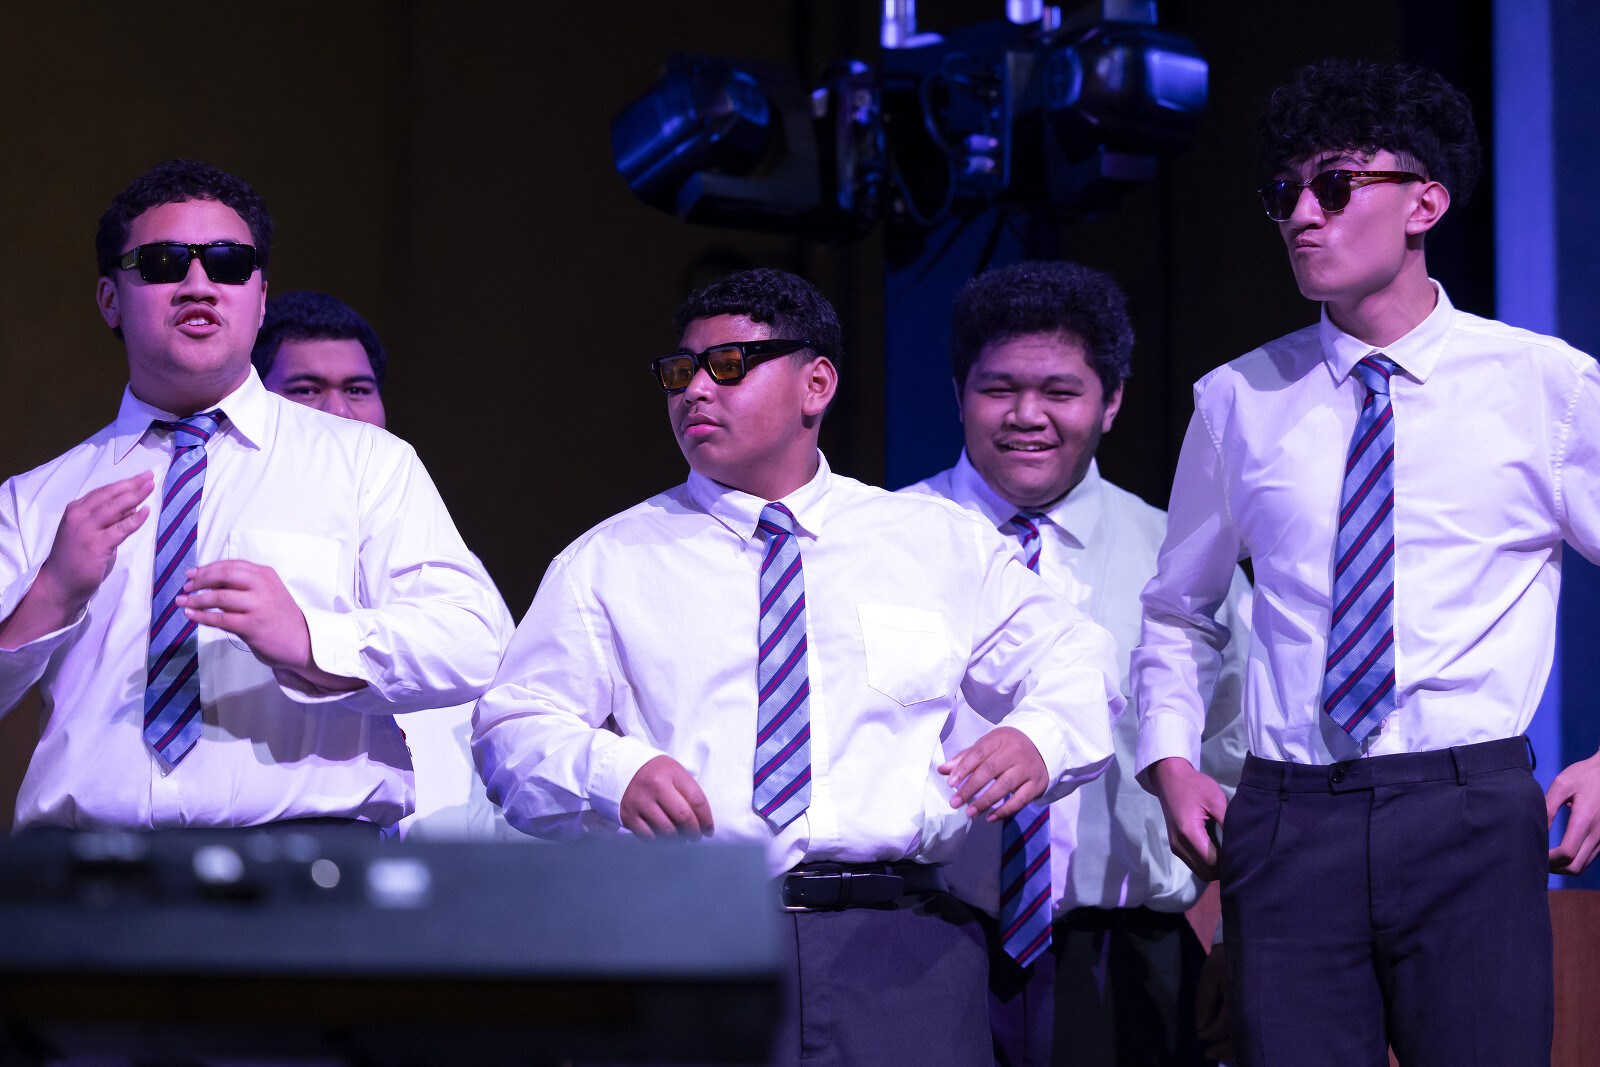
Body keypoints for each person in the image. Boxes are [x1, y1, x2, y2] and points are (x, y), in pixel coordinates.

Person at [473, 267, 1124, 1065]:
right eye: (680, 372)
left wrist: (1038, 737)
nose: (694, 391)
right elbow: (510, 726)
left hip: (905, 951)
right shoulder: (610, 560)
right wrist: (612, 771)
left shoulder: (931, 540)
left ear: (816, 383)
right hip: (698, 942)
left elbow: (1076, 654)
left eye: (728, 366)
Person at [1133, 59, 1600, 1067]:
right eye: (1285, 192)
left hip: (1468, 807)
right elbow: (1178, 608)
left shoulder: (1544, 386)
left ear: (1424, 202)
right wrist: (1170, 758)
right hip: (1287, 816)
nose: (1303, 215)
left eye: (1336, 186)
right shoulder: (1238, 399)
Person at [0, 159, 508, 833]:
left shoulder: (367, 463)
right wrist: (50, 595)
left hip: (310, 861)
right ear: (109, 299)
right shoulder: (37, 498)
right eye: (162, 263)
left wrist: (311, 640)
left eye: (229, 263)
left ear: (261, 298)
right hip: (90, 867)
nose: (198, 285)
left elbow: (475, 642)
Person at [905, 260, 1250, 1067]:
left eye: (1060, 391)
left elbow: (1246, 761)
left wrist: (1240, 937)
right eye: (999, 388)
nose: (1027, 415)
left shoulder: (1180, 559)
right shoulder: (882, 542)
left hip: (1130, 958)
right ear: (959, 392)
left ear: (1112, 399)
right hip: (922, 945)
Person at [252, 290, 515, 840]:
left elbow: (505, 727)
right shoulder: (236, 558)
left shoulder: (450, 571)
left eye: (357, 390)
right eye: (306, 390)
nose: (338, 412)